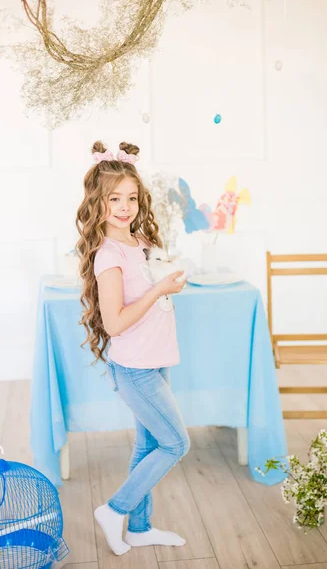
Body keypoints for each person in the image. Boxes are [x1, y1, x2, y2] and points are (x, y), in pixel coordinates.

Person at [75, 140, 190, 556]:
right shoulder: (108, 256)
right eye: (114, 199)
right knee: (176, 444)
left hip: (155, 360)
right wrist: (159, 286)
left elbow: (152, 289)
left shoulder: (138, 239)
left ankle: (139, 528)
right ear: (97, 203)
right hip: (136, 368)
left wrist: (164, 275)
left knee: (148, 446)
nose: (125, 207)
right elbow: (115, 322)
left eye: (131, 198)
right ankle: (115, 509)